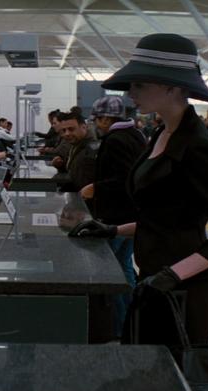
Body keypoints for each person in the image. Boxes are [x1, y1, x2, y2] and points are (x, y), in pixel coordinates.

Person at [73, 33, 208, 348]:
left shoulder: (197, 148)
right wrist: (112, 230)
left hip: (184, 293)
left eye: (140, 84)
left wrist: (173, 275)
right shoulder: (160, 135)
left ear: (173, 87)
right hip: (153, 280)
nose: (131, 92)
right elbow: (165, 218)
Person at [78, 95, 147, 337]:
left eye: (97, 119)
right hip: (132, 216)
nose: (96, 123)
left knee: (113, 274)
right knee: (125, 268)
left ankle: (119, 325)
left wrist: (95, 187)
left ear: (107, 118)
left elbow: (125, 179)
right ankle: (131, 322)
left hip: (118, 216)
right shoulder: (136, 135)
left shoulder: (116, 140)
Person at [53, 111, 98, 192]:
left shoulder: (91, 151)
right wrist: (60, 166)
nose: (67, 133)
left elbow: (84, 185)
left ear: (84, 127)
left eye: (71, 129)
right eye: (64, 130)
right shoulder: (76, 145)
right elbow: (75, 174)